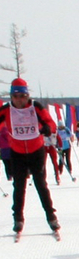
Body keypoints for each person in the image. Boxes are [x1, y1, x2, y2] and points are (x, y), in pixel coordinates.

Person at [0, 79, 61, 238]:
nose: (19, 100)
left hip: (36, 151)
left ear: (27, 96)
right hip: (17, 152)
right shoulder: (6, 110)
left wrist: (48, 128)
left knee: (41, 184)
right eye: (16, 96)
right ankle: (18, 219)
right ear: (12, 97)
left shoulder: (36, 107)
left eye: (23, 96)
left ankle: (51, 216)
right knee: (19, 186)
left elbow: (50, 122)